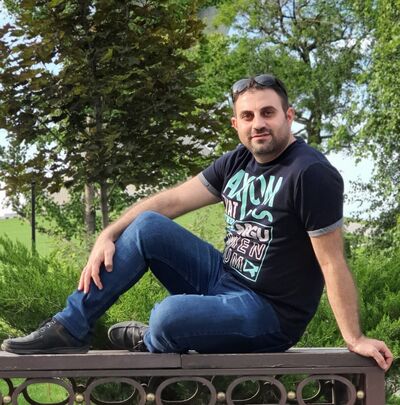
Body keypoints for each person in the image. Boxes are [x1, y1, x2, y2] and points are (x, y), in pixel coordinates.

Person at [1, 74, 393, 371]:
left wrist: (354, 337)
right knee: (147, 226)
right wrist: (108, 233)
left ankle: (150, 338)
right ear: (236, 124)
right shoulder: (238, 160)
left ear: (288, 117)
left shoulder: (311, 174)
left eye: (268, 113)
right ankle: (69, 328)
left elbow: (332, 262)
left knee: (167, 316)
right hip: (223, 278)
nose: (258, 123)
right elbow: (171, 201)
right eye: (248, 116)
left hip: (268, 313)